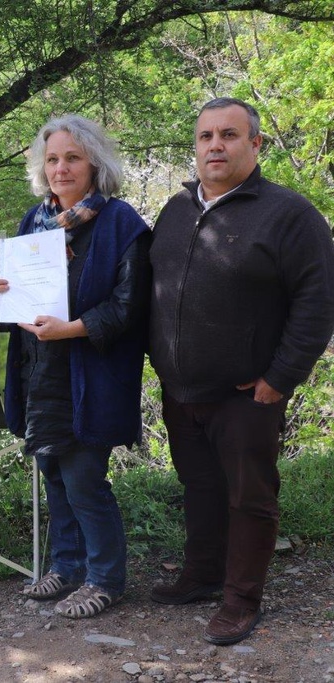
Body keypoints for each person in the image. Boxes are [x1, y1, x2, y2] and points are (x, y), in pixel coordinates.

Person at [148, 97, 334, 645]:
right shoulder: (176, 209)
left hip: (247, 393)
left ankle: (240, 598)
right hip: (181, 389)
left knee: (249, 496)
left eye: (229, 135)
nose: (215, 146)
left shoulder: (290, 215)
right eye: (206, 137)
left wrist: (280, 377)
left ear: (255, 144)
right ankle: (202, 577)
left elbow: (317, 303)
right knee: (199, 486)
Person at [0, 115, 150, 618]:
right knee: (53, 473)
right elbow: (15, 307)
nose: (61, 168)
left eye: (72, 158)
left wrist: (73, 328)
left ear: (94, 164)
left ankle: (106, 579)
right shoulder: (32, 223)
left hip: (91, 376)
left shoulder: (122, 223)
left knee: (84, 481)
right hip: (40, 373)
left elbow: (129, 306)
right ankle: (68, 564)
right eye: (52, 159)